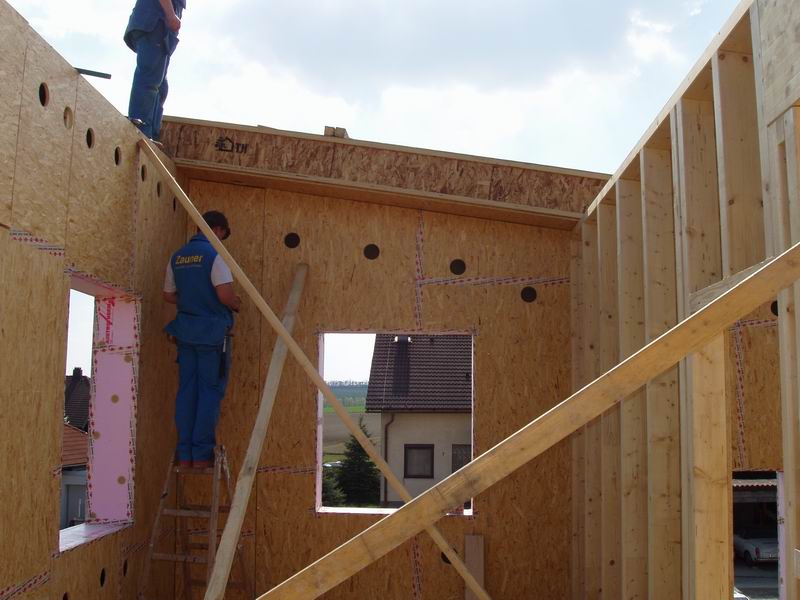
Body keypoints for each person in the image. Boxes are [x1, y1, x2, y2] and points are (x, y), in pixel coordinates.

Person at [163, 211, 241, 468]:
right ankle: (201, 454)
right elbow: (224, 295)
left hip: (186, 333)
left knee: (187, 391)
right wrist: (236, 303)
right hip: (212, 336)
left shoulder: (177, 257)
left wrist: (192, 300)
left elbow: (169, 295)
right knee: (209, 392)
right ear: (217, 229)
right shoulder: (215, 256)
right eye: (223, 235)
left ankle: (185, 454)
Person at [124, 0, 186, 141]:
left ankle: (150, 134)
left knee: (161, 87)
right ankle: (140, 129)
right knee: (150, 79)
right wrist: (170, 14)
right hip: (154, 24)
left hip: (160, 29)